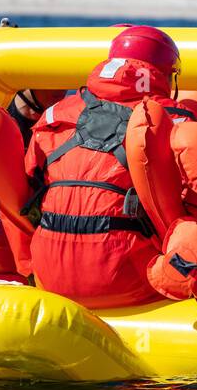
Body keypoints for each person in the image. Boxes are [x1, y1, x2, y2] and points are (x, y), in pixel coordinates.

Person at [21, 25, 181, 307]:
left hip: (48, 276)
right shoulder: (173, 121)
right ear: (166, 75)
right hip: (127, 279)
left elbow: (29, 180)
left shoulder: (53, 115)